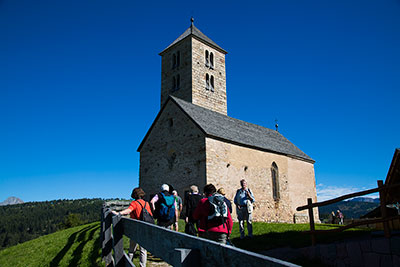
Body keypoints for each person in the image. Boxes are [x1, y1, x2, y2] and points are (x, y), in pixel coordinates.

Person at [111, 187, 151, 267]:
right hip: (145, 228)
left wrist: (118, 213)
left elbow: (129, 211)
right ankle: (142, 266)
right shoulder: (146, 203)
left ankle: (129, 264)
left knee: (132, 249)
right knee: (143, 250)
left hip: (135, 228)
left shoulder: (134, 203)